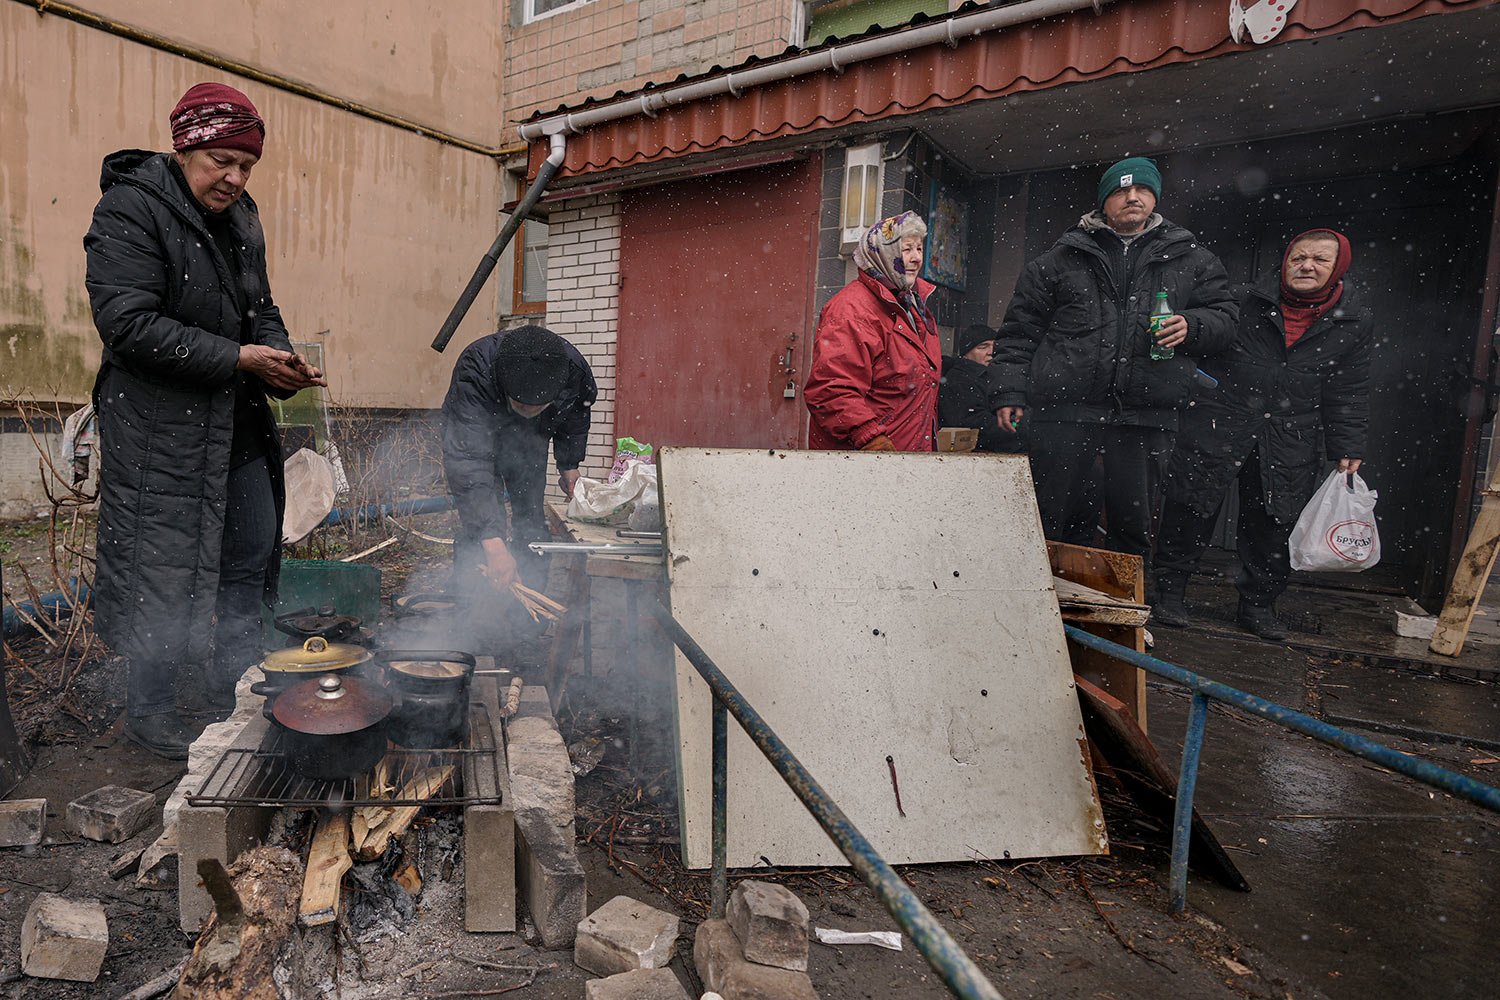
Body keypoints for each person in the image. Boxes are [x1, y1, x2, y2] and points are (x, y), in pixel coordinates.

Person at [84, 82, 325, 759]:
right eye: (222, 160)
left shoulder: (243, 217)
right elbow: (127, 325)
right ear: (185, 146)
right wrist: (240, 356)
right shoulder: (131, 208)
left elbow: (262, 306)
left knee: (249, 557)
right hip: (161, 427)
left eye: (246, 165)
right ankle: (151, 710)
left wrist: (277, 354)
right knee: (161, 568)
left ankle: (235, 691)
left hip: (236, 417)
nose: (235, 177)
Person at [992, 156, 1238, 567]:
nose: (1132, 197)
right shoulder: (1058, 260)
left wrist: (1192, 326)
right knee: (1051, 517)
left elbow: (1227, 321)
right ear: (1104, 201)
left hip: (1146, 412)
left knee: (1133, 525)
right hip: (1065, 411)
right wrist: (1008, 391)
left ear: (1155, 198)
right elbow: (1019, 333)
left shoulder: (1192, 259)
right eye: (1121, 191)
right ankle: (1048, 609)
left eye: (1141, 190)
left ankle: (1124, 617)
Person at [1154, 230, 1372, 639]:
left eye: (1320, 260)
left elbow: (1349, 387)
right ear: (1285, 262)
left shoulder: (1354, 319)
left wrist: (1349, 444)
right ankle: (1169, 593)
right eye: (1299, 258)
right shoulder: (1242, 299)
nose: (1307, 266)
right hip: (1220, 418)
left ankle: (1257, 605)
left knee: (1274, 521)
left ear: (1338, 267)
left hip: (1292, 431)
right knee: (1191, 504)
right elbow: (1202, 334)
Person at [442, 325, 597, 600]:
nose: (527, 412)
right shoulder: (476, 369)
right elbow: (468, 462)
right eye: (521, 405)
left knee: (531, 519)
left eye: (536, 407)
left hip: (531, 445)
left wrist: (569, 464)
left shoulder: (573, 371)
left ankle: (528, 603)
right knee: (483, 528)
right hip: (479, 441)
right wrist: (493, 543)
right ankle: (471, 603)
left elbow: (575, 416)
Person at [804, 212, 940, 452]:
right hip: (865, 463)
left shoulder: (914, 307)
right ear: (883, 253)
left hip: (908, 458)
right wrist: (870, 437)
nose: (917, 258)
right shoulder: (851, 310)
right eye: (907, 249)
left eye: (919, 249)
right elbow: (831, 389)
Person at [938, 324, 1017, 453]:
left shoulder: (994, 375)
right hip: (978, 456)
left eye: (995, 346)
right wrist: (1017, 425)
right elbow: (974, 423)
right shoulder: (959, 380)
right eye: (983, 347)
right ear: (966, 354)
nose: (991, 352)